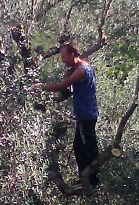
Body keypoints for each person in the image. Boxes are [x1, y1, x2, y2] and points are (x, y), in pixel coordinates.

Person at [36, 41, 100, 189]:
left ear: (72, 54)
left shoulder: (81, 71)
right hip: (85, 114)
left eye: (64, 56)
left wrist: (42, 88)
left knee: (86, 147)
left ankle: (91, 180)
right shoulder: (83, 67)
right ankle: (87, 178)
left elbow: (61, 86)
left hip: (86, 115)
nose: (62, 60)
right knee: (80, 146)